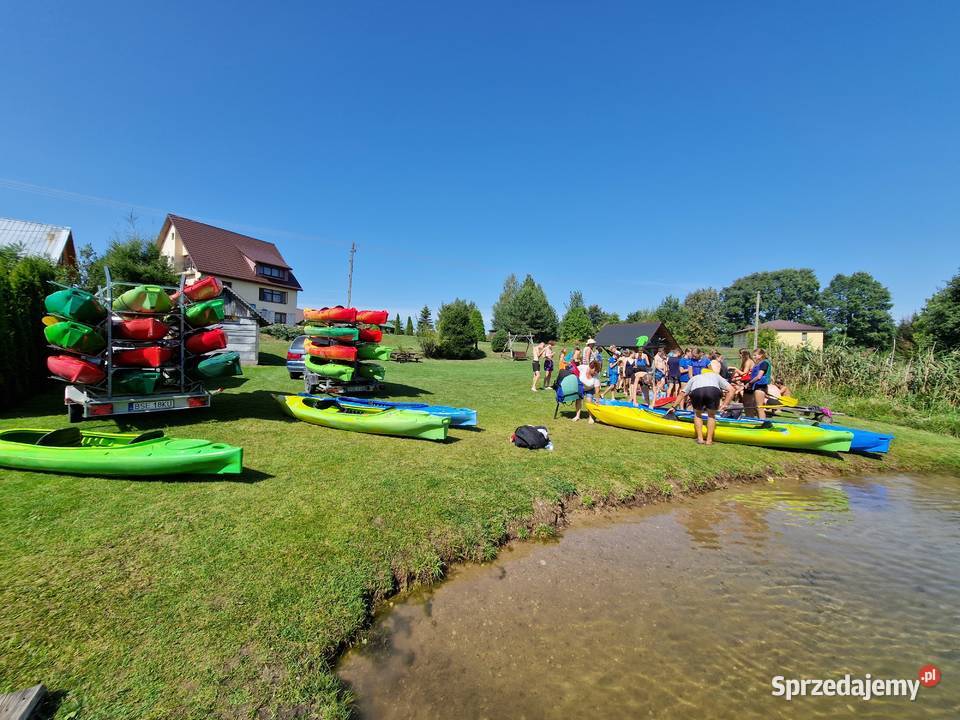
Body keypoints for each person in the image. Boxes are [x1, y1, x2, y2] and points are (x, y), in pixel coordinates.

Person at [674, 371, 737, 445]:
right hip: (712, 390)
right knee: (711, 415)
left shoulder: (694, 378)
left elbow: (682, 393)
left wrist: (673, 406)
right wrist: (725, 404)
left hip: (697, 391)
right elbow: (732, 390)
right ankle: (709, 440)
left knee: (698, 414)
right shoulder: (716, 375)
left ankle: (700, 439)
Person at [745, 348, 773, 419]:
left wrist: (749, 383)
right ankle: (759, 422)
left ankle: (763, 423)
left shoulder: (764, 363)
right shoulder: (760, 363)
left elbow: (759, 376)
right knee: (756, 406)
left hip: (760, 387)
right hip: (757, 387)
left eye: (755, 355)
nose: (753, 357)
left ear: (761, 355)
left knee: (759, 407)